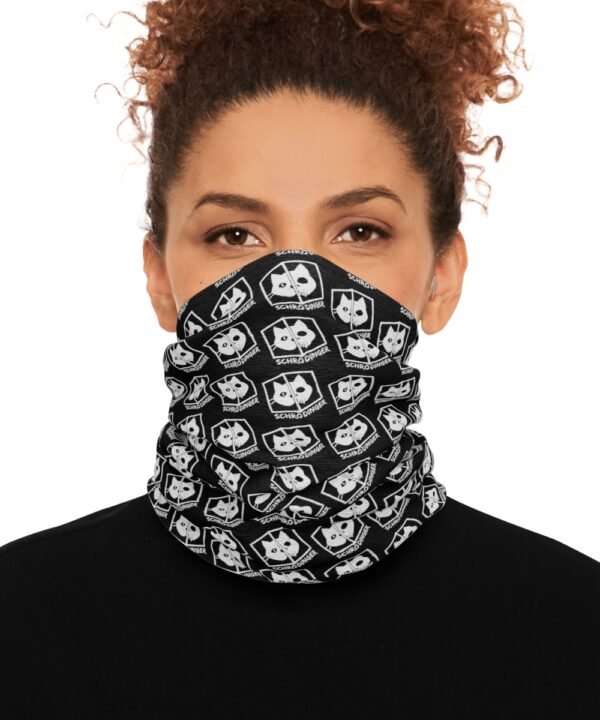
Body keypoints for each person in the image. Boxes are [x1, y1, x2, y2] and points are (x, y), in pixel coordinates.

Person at [1, 0, 599, 717]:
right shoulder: (20, 623)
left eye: (359, 231)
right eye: (234, 236)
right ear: (160, 278)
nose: (293, 285)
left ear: (442, 276)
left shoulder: (573, 631)